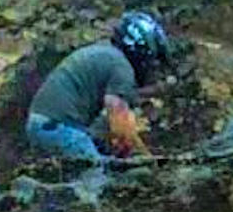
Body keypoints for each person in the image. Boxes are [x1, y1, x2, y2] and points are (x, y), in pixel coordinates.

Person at [26, 11, 172, 161]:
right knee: (96, 175)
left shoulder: (107, 55)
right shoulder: (121, 67)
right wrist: (146, 158)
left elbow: (108, 126)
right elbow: (119, 123)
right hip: (59, 126)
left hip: (45, 124)